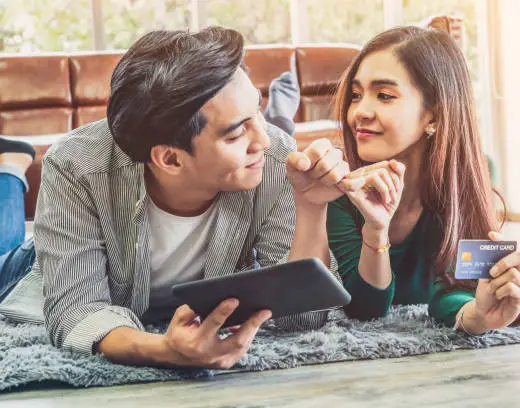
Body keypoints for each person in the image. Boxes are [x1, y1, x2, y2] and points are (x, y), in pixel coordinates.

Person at [0, 27, 350, 368]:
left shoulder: (274, 160)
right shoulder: (75, 165)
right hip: (34, 266)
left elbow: (302, 319)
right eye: (235, 134)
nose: (266, 141)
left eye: (257, 113)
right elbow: (76, 310)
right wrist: (165, 351)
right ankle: (10, 173)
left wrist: (311, 207)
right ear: (169, 159)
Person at [328, 26, 520, 335]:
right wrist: (376, 229)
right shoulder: (341, 184)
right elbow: (365, 308)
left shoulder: (473, 172)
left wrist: (478, 315)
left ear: (434, 115)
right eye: (356, 95)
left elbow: (458, 287)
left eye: (384, 95)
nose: (360, 111)